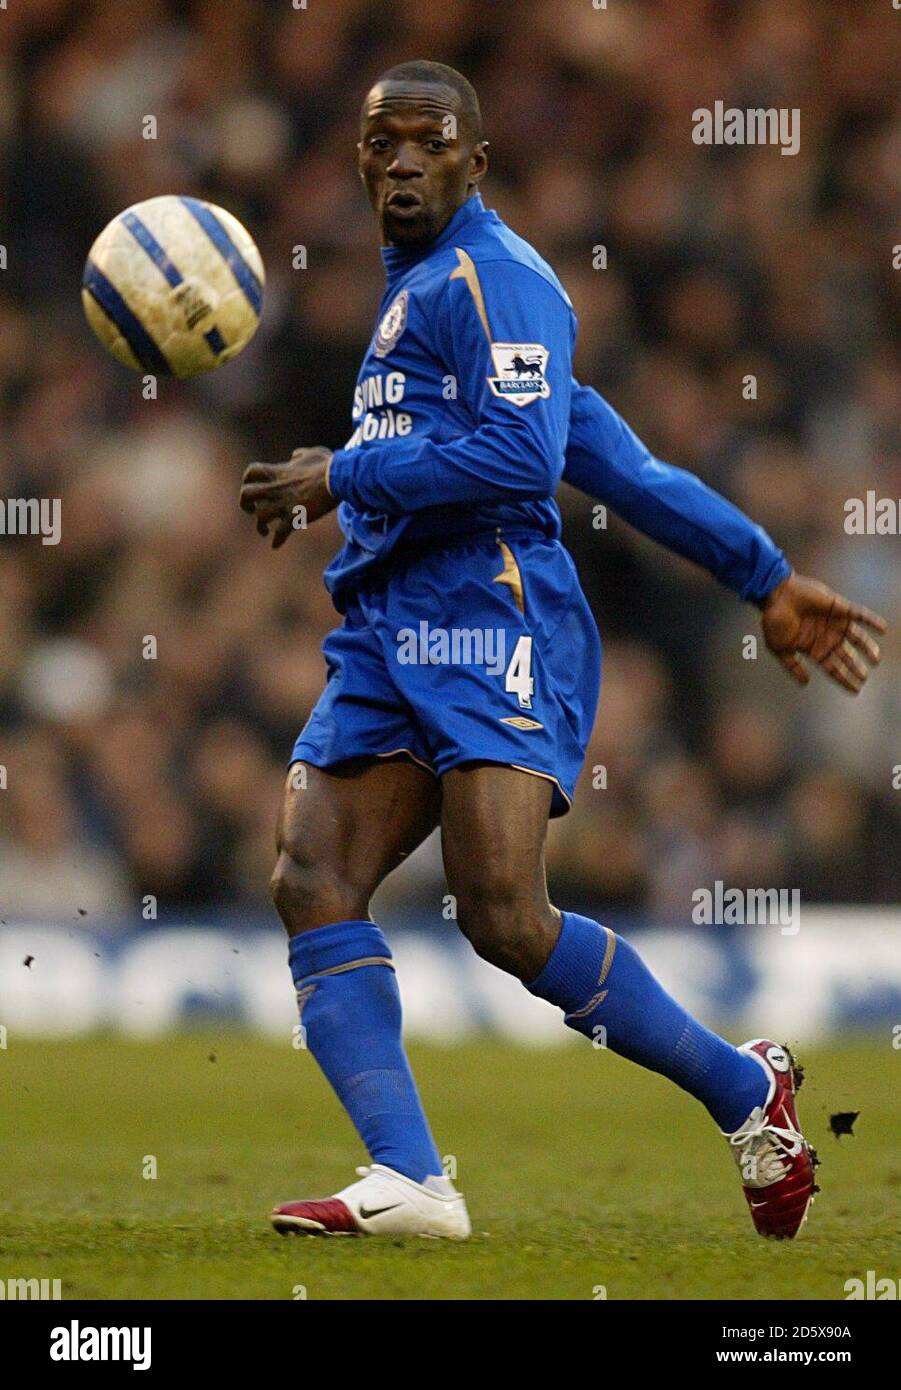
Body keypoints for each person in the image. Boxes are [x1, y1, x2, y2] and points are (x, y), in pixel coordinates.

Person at [240, 61, 886, 1241]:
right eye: (380, 142)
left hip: (492, 617)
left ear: (474, 162)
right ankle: (412, 1180)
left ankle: (749, 1095)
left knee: (502, 912)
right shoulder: (417, 294)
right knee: (309, 875)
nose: (400, 161)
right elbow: (620, 461)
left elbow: (522, 462)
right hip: (386, 629)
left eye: (428, 143)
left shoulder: (501, 279)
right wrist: (763, 571)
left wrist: (341, 470)